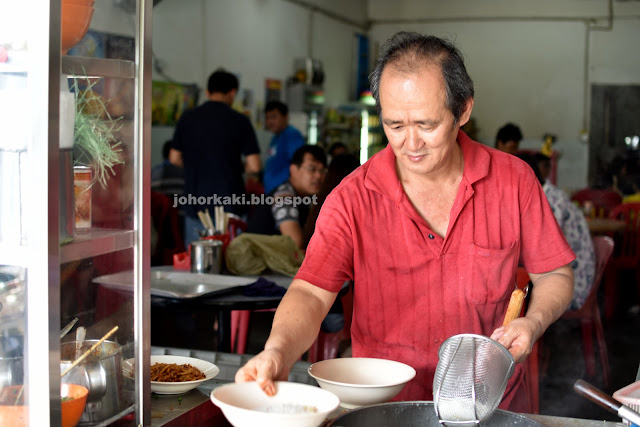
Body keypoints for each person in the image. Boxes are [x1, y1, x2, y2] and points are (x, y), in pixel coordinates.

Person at [235, 32, 574, 413]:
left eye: (426, 125)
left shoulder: (513, 181)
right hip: (385, 409)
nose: (411, 144)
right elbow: (312, 292)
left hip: (489, 403)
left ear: (463, 110)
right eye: (395, 125)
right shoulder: (353, 198)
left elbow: (555, 275)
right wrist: (277, 351)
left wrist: (533, 322)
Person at [169, 69, 261, 247]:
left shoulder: (187, 118)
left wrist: (195, 165)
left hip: (195, 204)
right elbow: (255, 166)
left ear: (207, 92)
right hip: (230, 203)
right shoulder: (240, 120)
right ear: (232, 92)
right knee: (232, 262)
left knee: (198, 264)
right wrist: (236, 166)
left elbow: (174, 158)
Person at [526, 153, 596, 310]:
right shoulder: (546, 194)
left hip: (573, 286)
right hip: (568, 276)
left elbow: (540, 247)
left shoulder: (551, 201)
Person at [247, 145, 327, 249]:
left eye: (322, 171)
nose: (318, 176)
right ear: (293, 170)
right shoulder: (284, 196)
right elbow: (296, 245)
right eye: (311, 169)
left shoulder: (306, 197)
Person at [262, 101, 306, 195]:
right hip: (272, 192)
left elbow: (298, 164)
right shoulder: (276, 137)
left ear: (285, 117)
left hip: (284, 193)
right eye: (267, 118)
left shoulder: (292, 135)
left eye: (274, 117)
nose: (270, 121)